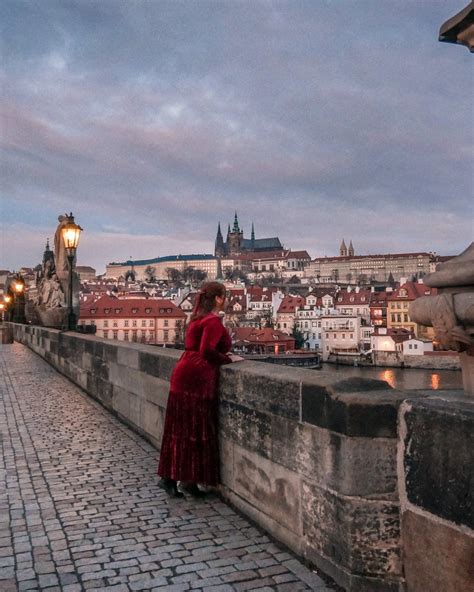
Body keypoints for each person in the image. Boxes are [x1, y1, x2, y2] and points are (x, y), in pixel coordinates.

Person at [157, 281, 243, 497]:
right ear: (218, 299)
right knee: (195, 429)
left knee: (178, 429)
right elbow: (207, 351)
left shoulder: (196, 318)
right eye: (224, 296)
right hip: (197, 377)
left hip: (183, 370)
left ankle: (172, 478)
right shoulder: (213, 321)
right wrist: (228, 359)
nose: (226, 300)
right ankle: (187, 481)